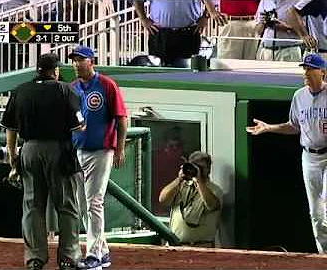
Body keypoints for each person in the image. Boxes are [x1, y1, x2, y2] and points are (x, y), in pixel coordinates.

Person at [1, 53, 84, 270]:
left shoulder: (21, 91)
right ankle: (68, 258)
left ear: (37, 69)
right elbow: (79, 126)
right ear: (56, 71)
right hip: (58, 149)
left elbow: (10, 128)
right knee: (66, 206)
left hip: (29, 149)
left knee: (32, 206)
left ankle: (35, 259)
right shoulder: (65, 90)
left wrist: (12, 155)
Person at [246, 53, 327, 253]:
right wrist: (269, 128)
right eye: (304, 69)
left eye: (310, 69)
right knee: (316, 214)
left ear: (322, 72)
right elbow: (294, 126)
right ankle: (324, 255)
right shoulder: (299, 96)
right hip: (309, 157)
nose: (306, 73)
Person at [68, 45, 127, 269]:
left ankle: (93, 254)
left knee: (94, 202)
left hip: (101, 150)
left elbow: (122, 118)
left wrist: (119, 148)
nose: (76, 64)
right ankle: (102, 251)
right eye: (74, 60)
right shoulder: (72, 88)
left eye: (80, 60)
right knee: (83, 204)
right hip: (78, 149)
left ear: (91, 62)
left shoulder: (106, 85)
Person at [134, 0, 226, 67]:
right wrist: (143, 19)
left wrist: (205, 16)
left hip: (189, 33)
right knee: (159, 72)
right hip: (160, 34)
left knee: (189, 73)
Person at [158, 151, 223, 247]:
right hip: (176, 246)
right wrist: (179, 179)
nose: (198, 170)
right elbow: (162, 199)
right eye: (196, 166)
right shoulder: (180, 186)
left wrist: (198, 181)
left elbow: (212, 205)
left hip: (202, 247)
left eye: (202, 167)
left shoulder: (214, 190)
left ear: (209, 169)